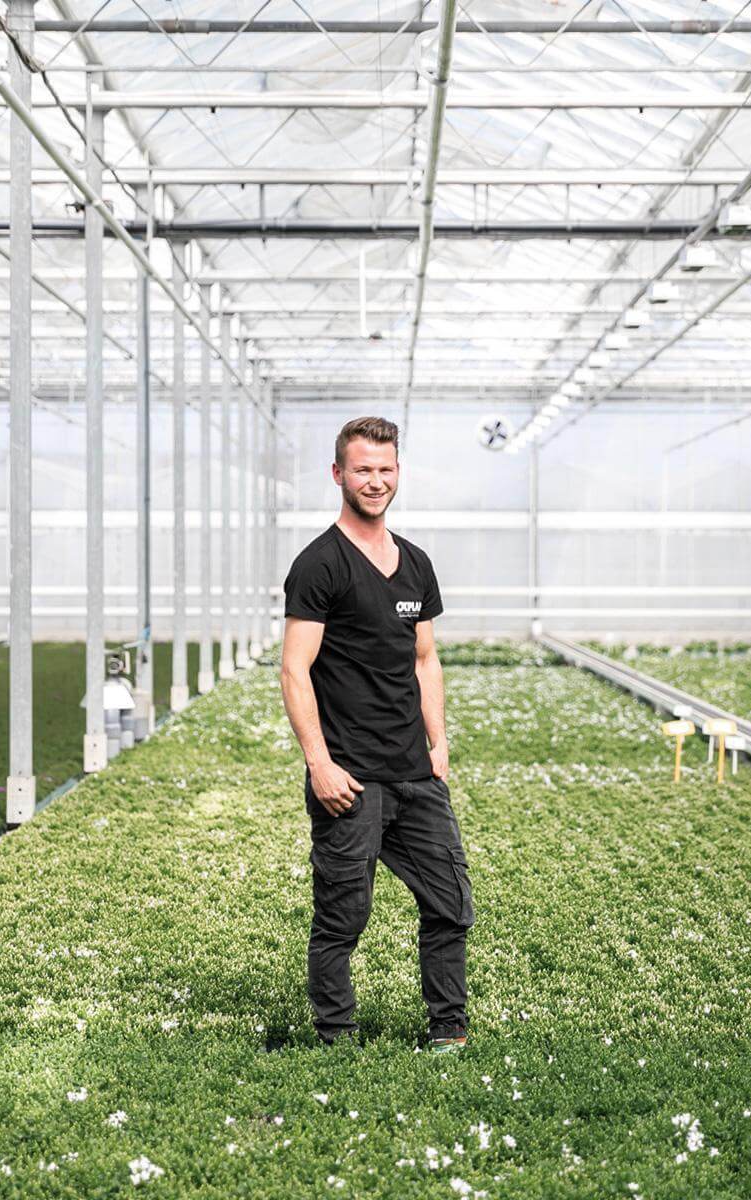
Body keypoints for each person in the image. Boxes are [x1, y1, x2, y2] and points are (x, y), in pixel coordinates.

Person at [279, 415, 475, 1054]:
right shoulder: (320, 565)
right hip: (351, 779)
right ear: (338, 474)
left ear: (398, 473)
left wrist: (438, 741)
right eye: (362, 469)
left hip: (415, 775)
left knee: (449, 903)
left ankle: (448, 1031)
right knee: (343, 916)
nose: (375, 481)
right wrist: (320, 764)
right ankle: (337, 1037)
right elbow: (294, 668)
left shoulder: (415, 564)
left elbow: (425, 660)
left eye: (386, 469)